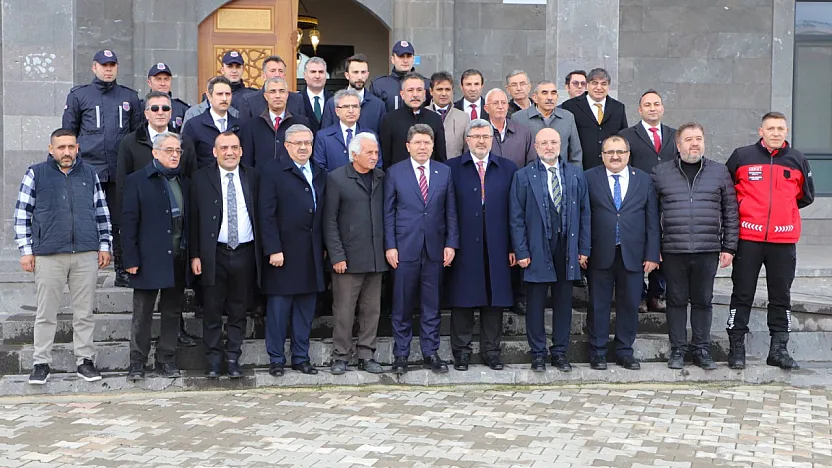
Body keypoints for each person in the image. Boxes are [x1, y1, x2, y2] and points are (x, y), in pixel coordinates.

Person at [15, 128, 112, 385]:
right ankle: (41, 363)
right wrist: (26, 251)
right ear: (51, 149)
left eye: (71, 147)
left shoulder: (89, 173)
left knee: (84, 312)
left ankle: (84, 361)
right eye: (61, 147)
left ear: (77, 147)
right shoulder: (36, 173)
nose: (66, 152)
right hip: (48, 254)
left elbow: (101, 211)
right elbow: (22, 214)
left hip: (85, 252)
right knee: (46, 312)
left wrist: (105, 245)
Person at [725, 112, 815, 371]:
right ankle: (736, 348)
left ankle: (779, 349)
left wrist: (781, 214)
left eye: (781, 128)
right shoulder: (742, 156)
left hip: (783, 240)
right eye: (771, 128)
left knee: (781, 296)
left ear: (786, 131)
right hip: (748, 239)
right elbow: (727, 192)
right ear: (760, 131)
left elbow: (805, 196)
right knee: (742, 294)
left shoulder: (797, 159)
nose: (776, 133)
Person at [652, 122, 738, 371]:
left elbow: (731, 212)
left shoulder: (719, 172)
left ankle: (702, 349)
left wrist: (729, 247)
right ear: (678, 146)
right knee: (676, 301)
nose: (694, 143)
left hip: (707, 249)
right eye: (688, 139)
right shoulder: (660, 173)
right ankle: (678, 349)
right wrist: (653, 247)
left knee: (703, 301)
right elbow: (651, 214)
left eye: (698, 138)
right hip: (673, 249)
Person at [115, 92, 199, 336]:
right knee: (144, 309)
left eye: (165, 108)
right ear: (146, 113)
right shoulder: (131, 143)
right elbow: (124, 192)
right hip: (148, 242)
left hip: (176, 244)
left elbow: (190, 184)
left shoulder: (185, 143)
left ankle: (171, 348)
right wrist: (127, 256)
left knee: (173, 306)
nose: (160, 112)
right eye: (155, 108)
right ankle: (138, 361)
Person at [509, 128, 590, 372]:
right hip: (535, 248)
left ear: (561, 145)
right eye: (544, 143)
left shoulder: (576, 175)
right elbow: (516, 217)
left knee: (564, 303)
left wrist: (583, 248)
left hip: (567, 247)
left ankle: (560, 353)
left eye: (553, 142)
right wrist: (521, 250)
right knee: (534, 303)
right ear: (535, 147)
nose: (549, 147)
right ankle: (538, 353)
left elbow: (586, 213)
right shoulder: (523, 176)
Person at [62, 49, 142, 290]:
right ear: (94, 67)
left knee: (120, 221)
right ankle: (80, 273)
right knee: (85, 220)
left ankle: (122, 270)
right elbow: (68, 132)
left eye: (112, 65)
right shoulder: (80, 95)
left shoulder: (129, 97)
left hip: (119, 169)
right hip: (89, 169)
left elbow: (137, 134)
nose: (108, 69)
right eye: (103, 65)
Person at [384, 124, 459, 374]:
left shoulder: (444, 172)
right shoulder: (395, 173)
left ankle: (431, 352)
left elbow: (451, 212)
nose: (422, 147)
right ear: (408, 146)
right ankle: (401, 355)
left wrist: (451, 243)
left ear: (433, 145)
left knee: (431, 305)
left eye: (427, 142)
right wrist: (390, 246)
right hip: (404, 249)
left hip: (435, 249)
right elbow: (389, 213)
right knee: (402, 305)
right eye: (417, 142)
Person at [446, 120, 518, 371]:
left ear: (492, 139)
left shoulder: (508, 168)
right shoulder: (452, 168)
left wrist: (513, 246)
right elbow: (447, 210)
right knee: (463, 298)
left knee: (494, 299)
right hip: (464, 243)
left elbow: (515, 211)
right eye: (475, 136)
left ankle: (491, 350)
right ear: (467, 140)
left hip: (498, 243)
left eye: (485, 136)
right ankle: (462, 351)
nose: (481, 141)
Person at [584, 135, 660, 371]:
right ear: (602, 155)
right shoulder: (589, 177)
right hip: (599, 253)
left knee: (629, 304)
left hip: (633, 254)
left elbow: (652, 219)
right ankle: (597, 352)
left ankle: (625, 351)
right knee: (598, 304)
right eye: (609, 152)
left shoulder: (643, 180)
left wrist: (652, 254)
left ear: (628, 154)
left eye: (620, 152)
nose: (615, 156)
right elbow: (583, 217)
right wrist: (582, 250)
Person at [190, 131, 261, 379]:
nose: (229, 152)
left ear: (241, 151)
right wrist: (196, 255)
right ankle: (213, 359)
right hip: (214, 254)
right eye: (224, 148)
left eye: (234, 147)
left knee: (239, 309)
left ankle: (233, 357)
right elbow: (194, 220)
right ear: (215, 152)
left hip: (245, 253)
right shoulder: (200, 178)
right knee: (212, 309)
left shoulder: (253, 177)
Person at [259, 124, 326, 377]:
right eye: (297, 143)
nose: (303, 148)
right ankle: (276, 358)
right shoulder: (273, 170)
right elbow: (266, 214)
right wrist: (273, 248)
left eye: (307, 143)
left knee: (305, 310)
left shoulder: (319, 172)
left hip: (311, 253)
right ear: (286, 146)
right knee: (278, 310)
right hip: (283, 254)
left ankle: (301, 356)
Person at [121, 132, 189, 380]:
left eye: (178, 151)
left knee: (172, 312)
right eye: (169, 150)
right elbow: (128, 223)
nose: (174, 155)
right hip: (148, 259)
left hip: (177, 258)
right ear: (155, 153)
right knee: (143, 314)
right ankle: (137, 363)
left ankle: (166, 359)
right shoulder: (137, 180)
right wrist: (130, 259)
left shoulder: (183, 180)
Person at [323, 132, 387, 375]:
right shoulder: (337, 178)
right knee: (344, 311)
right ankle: (341, 355)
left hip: (375, 256)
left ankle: (366, 354)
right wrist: (337, 255)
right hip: (347, 259)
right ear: (354, 155)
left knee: (372, 310)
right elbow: (329, 220)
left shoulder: (381, 177)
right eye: (369, 153)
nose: (374, 157)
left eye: (376, 152)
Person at [620, 90, 678, 313]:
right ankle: (640, 295)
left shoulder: (675, 135)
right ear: (639, 109)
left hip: (668, 200)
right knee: (638, 247)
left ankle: (657, 293)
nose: (652, 108)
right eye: (647, 104)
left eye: (656, 104)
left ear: (662, 108)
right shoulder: (628, 135)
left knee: (663, 246)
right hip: (638, 200)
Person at [561, 68, 628, 170]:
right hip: (580, 168)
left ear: (608, 86)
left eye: (603, 84)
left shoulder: (618, 107)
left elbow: (623, 137)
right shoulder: (571, 106)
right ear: (587, 85)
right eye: (594, 83)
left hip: (610, 168)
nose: (599, 87)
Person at [379, 73, 447, 168]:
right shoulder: (389, 119)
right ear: (402, 94)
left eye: (419, 90)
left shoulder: (435, 118)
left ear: (424, 94)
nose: (415, 95)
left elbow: (441, 156)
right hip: (399, 178)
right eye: (410, 90)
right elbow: (385, 157)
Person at [241, 77, 311, 168]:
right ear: (265, 96)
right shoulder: (251, 125)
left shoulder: (301, 123)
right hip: (261, 180)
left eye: (281, 91)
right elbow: (247, 162)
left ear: (287, 95)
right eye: (272, 91)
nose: (277, 96)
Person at [511, 81, 582, 167]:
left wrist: (574, 176)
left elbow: (575, 153)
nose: (550, 98)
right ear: (535, 98)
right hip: (530, 176)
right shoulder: (519, 118)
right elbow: (515, 153)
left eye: (553, 93)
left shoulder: (567, 117)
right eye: (544, 93)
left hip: (562, 175)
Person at [313, 89, 381, 172]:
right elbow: (319, 168)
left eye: (355, 106)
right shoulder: (323, 136)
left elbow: (377, 166)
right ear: (337, 111)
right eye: (346, 106)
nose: (351, 111)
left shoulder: (370, 135)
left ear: (360, 110)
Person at [182, 76, 242, 168]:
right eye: (219, 94)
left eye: (228, 94)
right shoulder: (193, 125)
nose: (224, 98)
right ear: (209, 96)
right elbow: (186, 161)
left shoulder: (241, 125)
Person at [321, 54, 387, 133]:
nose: (359, 77)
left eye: (363, 72)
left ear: (367, 74)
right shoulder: (333, 103)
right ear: (347, 75)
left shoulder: (378, 105)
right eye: (355, 72)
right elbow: (325, 136)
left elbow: (381, 139)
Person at [182, 51, 249, 125]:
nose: (234, 71)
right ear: (222, 70)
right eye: (230, 66)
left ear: (243, 69)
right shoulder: (205, 98)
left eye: (238, 67)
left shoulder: (250, 96)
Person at [235, 55, 306, 121]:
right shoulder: (249, 101)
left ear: (284, 75)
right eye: (273, 71)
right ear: (263, 76)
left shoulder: (297, 99)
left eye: (280, 71)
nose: (277, 75)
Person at [370, 40, 432, 111]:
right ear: (392, 59)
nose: (405, 60)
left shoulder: (426, 84)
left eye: (408, 56)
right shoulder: (379, 85)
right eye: (401, 56)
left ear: (413, 59)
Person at [427, 71, 469, 159]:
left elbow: (467, 150)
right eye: (439, 89)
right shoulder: (423, 114)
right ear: (431, 91)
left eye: (447, 89)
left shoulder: (463, 118)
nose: (444, 94)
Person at [141, 63, 190, 131]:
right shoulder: (140, 107)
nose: (163, 83)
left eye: (166, 79)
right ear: (149, 83)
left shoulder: (182, 109)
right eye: (158, 79)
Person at [300, 57, 332, 132]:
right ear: (305, 75)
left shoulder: (334, 100)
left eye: (321, 72)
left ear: (326, 75)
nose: (317, 76)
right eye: (313, 72)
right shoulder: (296, 100)